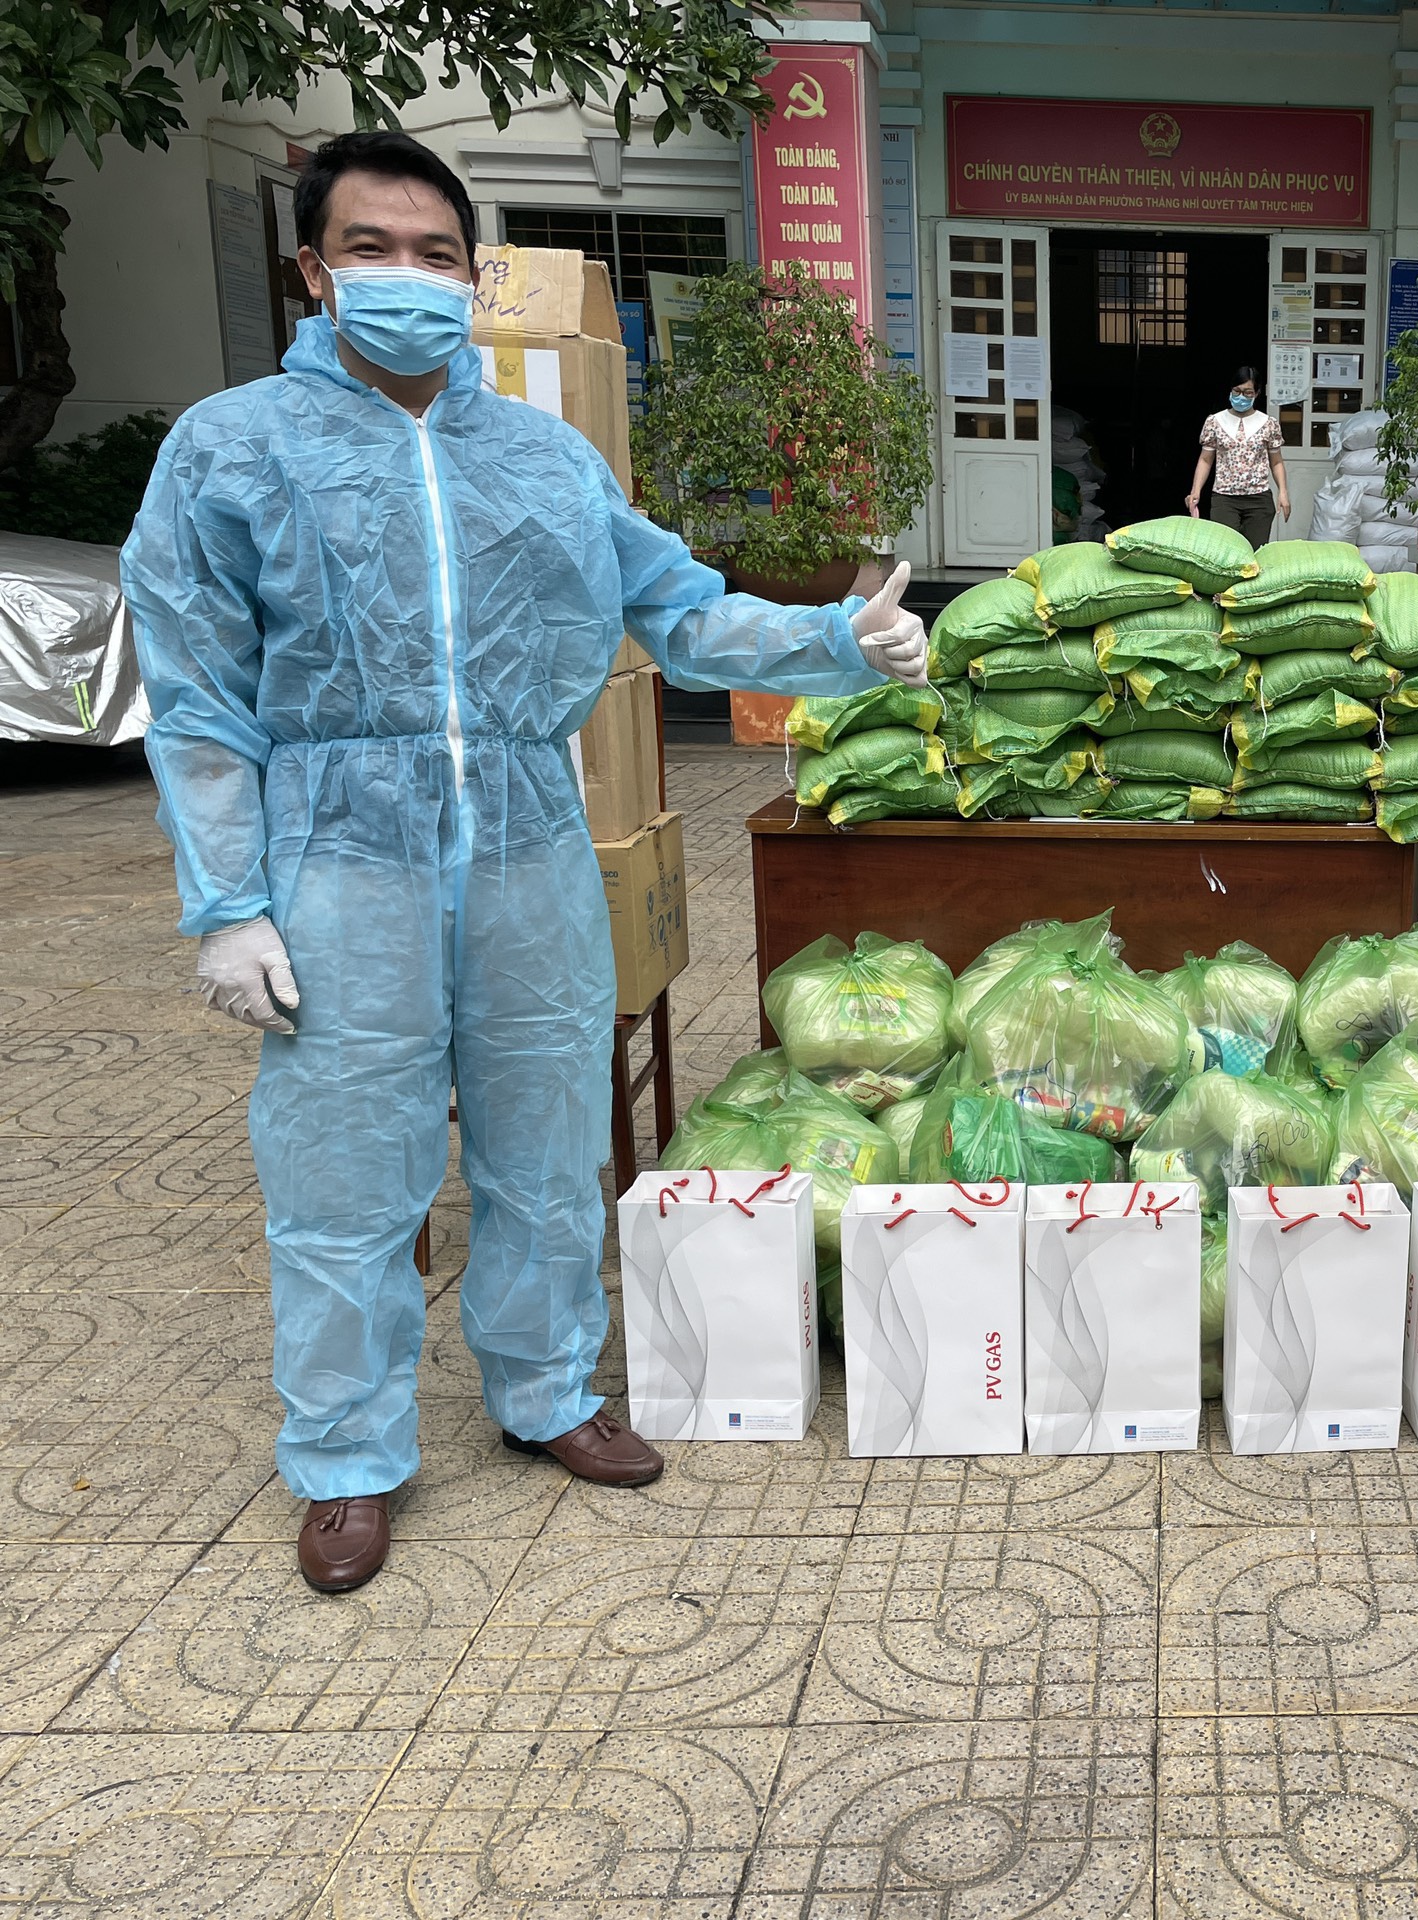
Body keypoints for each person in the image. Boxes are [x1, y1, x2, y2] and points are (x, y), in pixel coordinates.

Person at [123, 131, 929, 1595]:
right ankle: (350, 1456)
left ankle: (547, 1391)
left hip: (525, 841)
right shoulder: (232, 450)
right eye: (372, 250)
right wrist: (229, 904)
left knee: (548, 1137)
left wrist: (832, 642)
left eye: (438, 256)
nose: (408, 280)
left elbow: (675, 609)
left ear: (474, 276)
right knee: (346, 1166)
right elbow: (195, 693)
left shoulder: (545, 459)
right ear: (312, 270)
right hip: (334, 849)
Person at [1185, 365, 1289, 544]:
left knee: (1254, 551)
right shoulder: (1215, 422)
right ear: (1230, 390)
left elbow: (1276, 461)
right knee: (1225, 548)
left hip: (1259, 499)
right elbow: (1205, 459)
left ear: (1257, 393)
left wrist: (1283, 492)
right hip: (1224, 499)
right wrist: (1196, 490)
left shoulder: (1268, 424)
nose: (1241, 397)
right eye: (1237, 391)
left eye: (1248, 392)